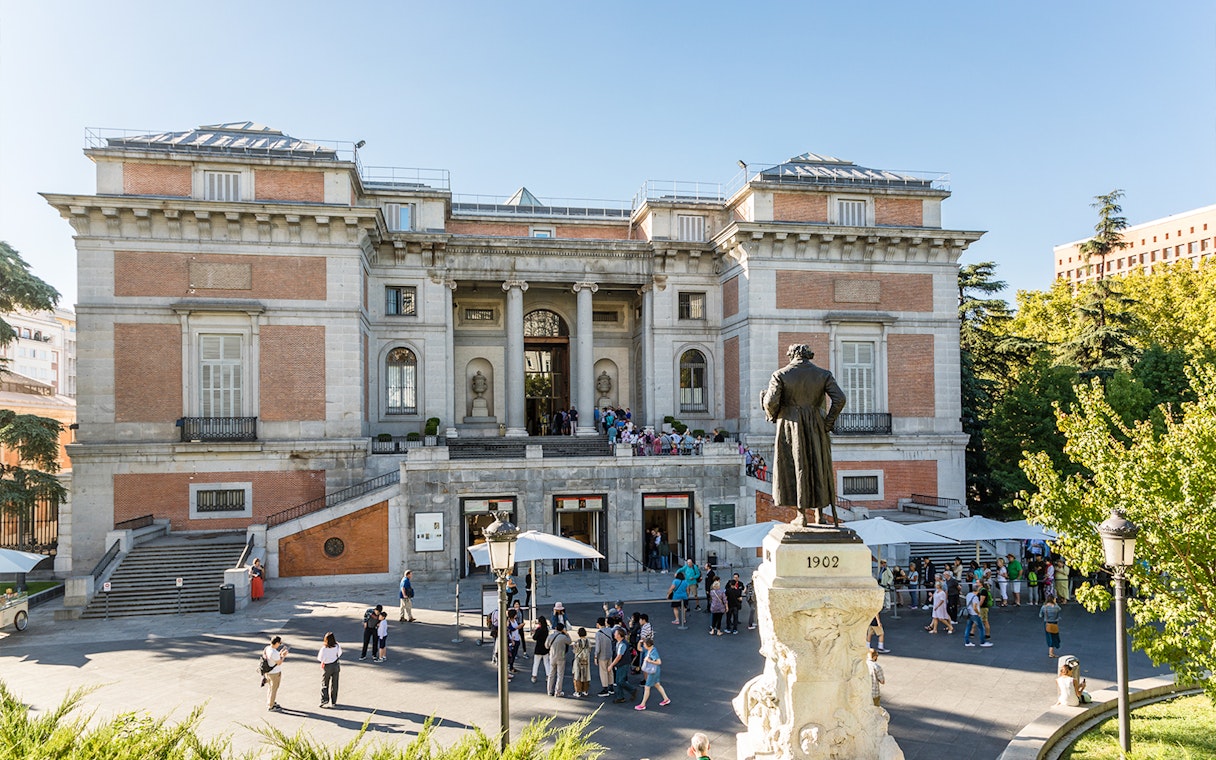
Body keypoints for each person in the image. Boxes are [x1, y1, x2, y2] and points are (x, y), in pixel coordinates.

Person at [760, 343, 847, 526]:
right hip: (817, 425)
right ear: (809, 356)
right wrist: (827, 422)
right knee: (818, 467)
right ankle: (820, 515)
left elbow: (771, 402)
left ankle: (801, 516)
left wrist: (765, 402)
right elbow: (840, 399)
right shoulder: (823, 375)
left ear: (791, 355)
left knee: (797, 467)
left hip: (791, 425)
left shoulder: (781, 375)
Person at [634, 636, 671, 710]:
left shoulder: (653, 652)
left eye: (644, 644)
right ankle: (666, 699)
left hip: (653, 671)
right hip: (655, 670)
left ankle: (643, 704)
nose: (643, 646)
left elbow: (659, 662)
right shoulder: (649, 649)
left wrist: (649, 661)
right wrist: (639, 642)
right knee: (657, 685)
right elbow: (639, 648)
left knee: (647, 687)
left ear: (648, 645)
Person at [610, 627, 638, 703]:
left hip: (623, 664)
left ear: (619, 635)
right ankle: (620, 696)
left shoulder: (622, 644)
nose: (614, 634)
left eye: (615, 633)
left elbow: (619, 656)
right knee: (618, 681)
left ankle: (632, 690)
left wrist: (611, 665)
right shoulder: (619, 643)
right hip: (621, 664)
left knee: (620, 681)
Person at [262, 635, 288, 711]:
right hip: (275, 673)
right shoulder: (274, 652)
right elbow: (279, 662)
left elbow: (273, 658)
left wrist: (280, 654)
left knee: (270, 688)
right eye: (280, 643)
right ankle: (271, 706)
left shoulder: (267, 648)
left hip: (268, 672)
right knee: (274, 689)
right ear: (276, 643)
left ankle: (270, 702)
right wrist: (283, 656)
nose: (280, 644)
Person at [317, 631, 342, 708]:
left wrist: (323, 661)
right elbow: (340, 653)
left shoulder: (324, 648)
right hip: (335, 665)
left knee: (325, 683)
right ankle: (334, 701)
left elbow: (320, 658)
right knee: (335, 684)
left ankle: (324, 699)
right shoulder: (337, 646)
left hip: (327, 666)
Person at [546, 622, 571, 697]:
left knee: (551, 674)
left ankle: (549, 691)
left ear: (556, 628)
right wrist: (567, 633)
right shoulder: (563, 637)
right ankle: (558, 691)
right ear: (562, 629)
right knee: (560, 675)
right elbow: (569, 641)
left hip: (552, 656)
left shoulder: (550, 636)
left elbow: (546, 646)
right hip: (561, 657)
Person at [594, 617, 615, 697]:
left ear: (598, 624)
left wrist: (596, 656)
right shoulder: (609, 630)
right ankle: (611, 687)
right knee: (610, 671)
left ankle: (605, 688)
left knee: (603, 672)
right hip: (609, 653)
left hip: (602, 655)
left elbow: (598, 647)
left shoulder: (598, 634)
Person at [571, 627, 593, 698]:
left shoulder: (577, 642)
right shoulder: (588, 641)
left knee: (577, 675)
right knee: (586, 675)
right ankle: (585, 690)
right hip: (586, 659)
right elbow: (590, 649)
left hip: (578, 660)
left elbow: (575, 650)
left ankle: (578, 691)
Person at [531, 616, 551, 683]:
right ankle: (548, 676)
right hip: (545, 648)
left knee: (536, 663)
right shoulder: (546, 629)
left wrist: (534, 632)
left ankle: (534, 676)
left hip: (538, 648)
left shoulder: (538, 630)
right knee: (546, 663)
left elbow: (534, 638)